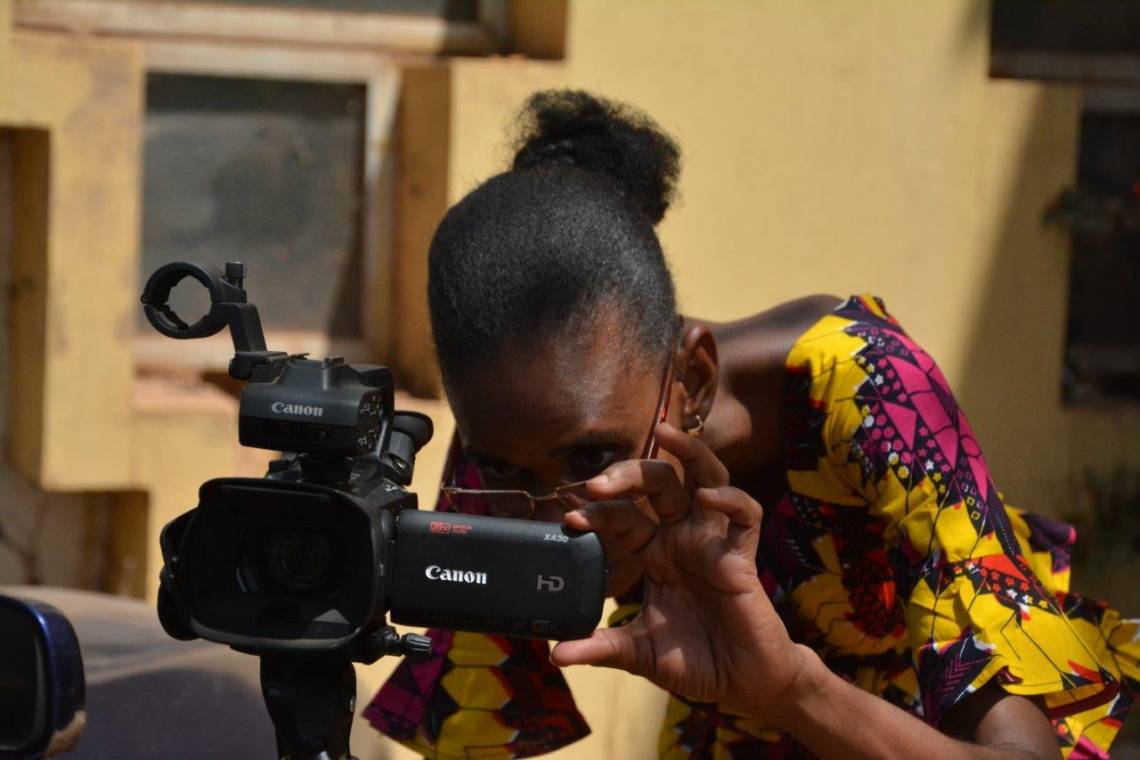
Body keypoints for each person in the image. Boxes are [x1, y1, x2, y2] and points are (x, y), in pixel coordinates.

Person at [365, 90, 1138, 758]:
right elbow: (468, 728)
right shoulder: (505, 456)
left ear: (691, 380)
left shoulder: (873, 392)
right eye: (504, 468)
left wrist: (788, 688)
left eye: (596, 454)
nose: (559, 513)